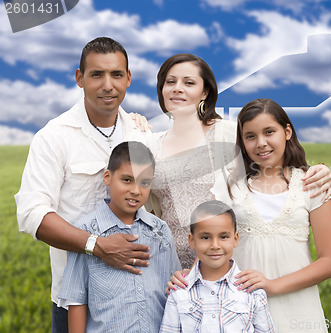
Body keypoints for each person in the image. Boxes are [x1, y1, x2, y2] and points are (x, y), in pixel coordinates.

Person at [147, 53, 331, 270]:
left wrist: (321, 170)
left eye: (188, 82)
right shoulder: (150, 144)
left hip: (229, 264)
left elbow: (274, 161)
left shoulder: (228, 133)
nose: (177, 88)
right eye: (170, 82)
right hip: (170, 267)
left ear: (205, 92)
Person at [14, 37, 151, 332]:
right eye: (96, 74)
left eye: (116, 74)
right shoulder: (54, 137)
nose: (107, 85)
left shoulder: (141, 134)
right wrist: (97, 246)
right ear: (80, 78)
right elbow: (32, 214)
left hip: (136, 297)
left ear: (128, 78)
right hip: (76, 300)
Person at [209, 98, 331, 332]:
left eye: (269, 132)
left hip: (299, 310)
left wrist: (272, 285)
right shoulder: (229, 186)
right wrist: (187, 277)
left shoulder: (311, 183)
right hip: (242, 308)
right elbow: (211, 246)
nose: (261, 143)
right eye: (250, 136)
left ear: (287, 131)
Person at [59, 141, 181, 333]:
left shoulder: (160, 230)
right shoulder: (85, 231)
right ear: (107, 177)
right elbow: (76, 300)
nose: (135, 190)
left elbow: (174, 290)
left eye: (144, 182)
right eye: (127, 180)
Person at [160, 200, 275, 333]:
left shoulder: (252, 292)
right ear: (191, 240)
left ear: (235, 239)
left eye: (224, 236)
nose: (215, 245)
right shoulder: (179, 292)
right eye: (205, 237)